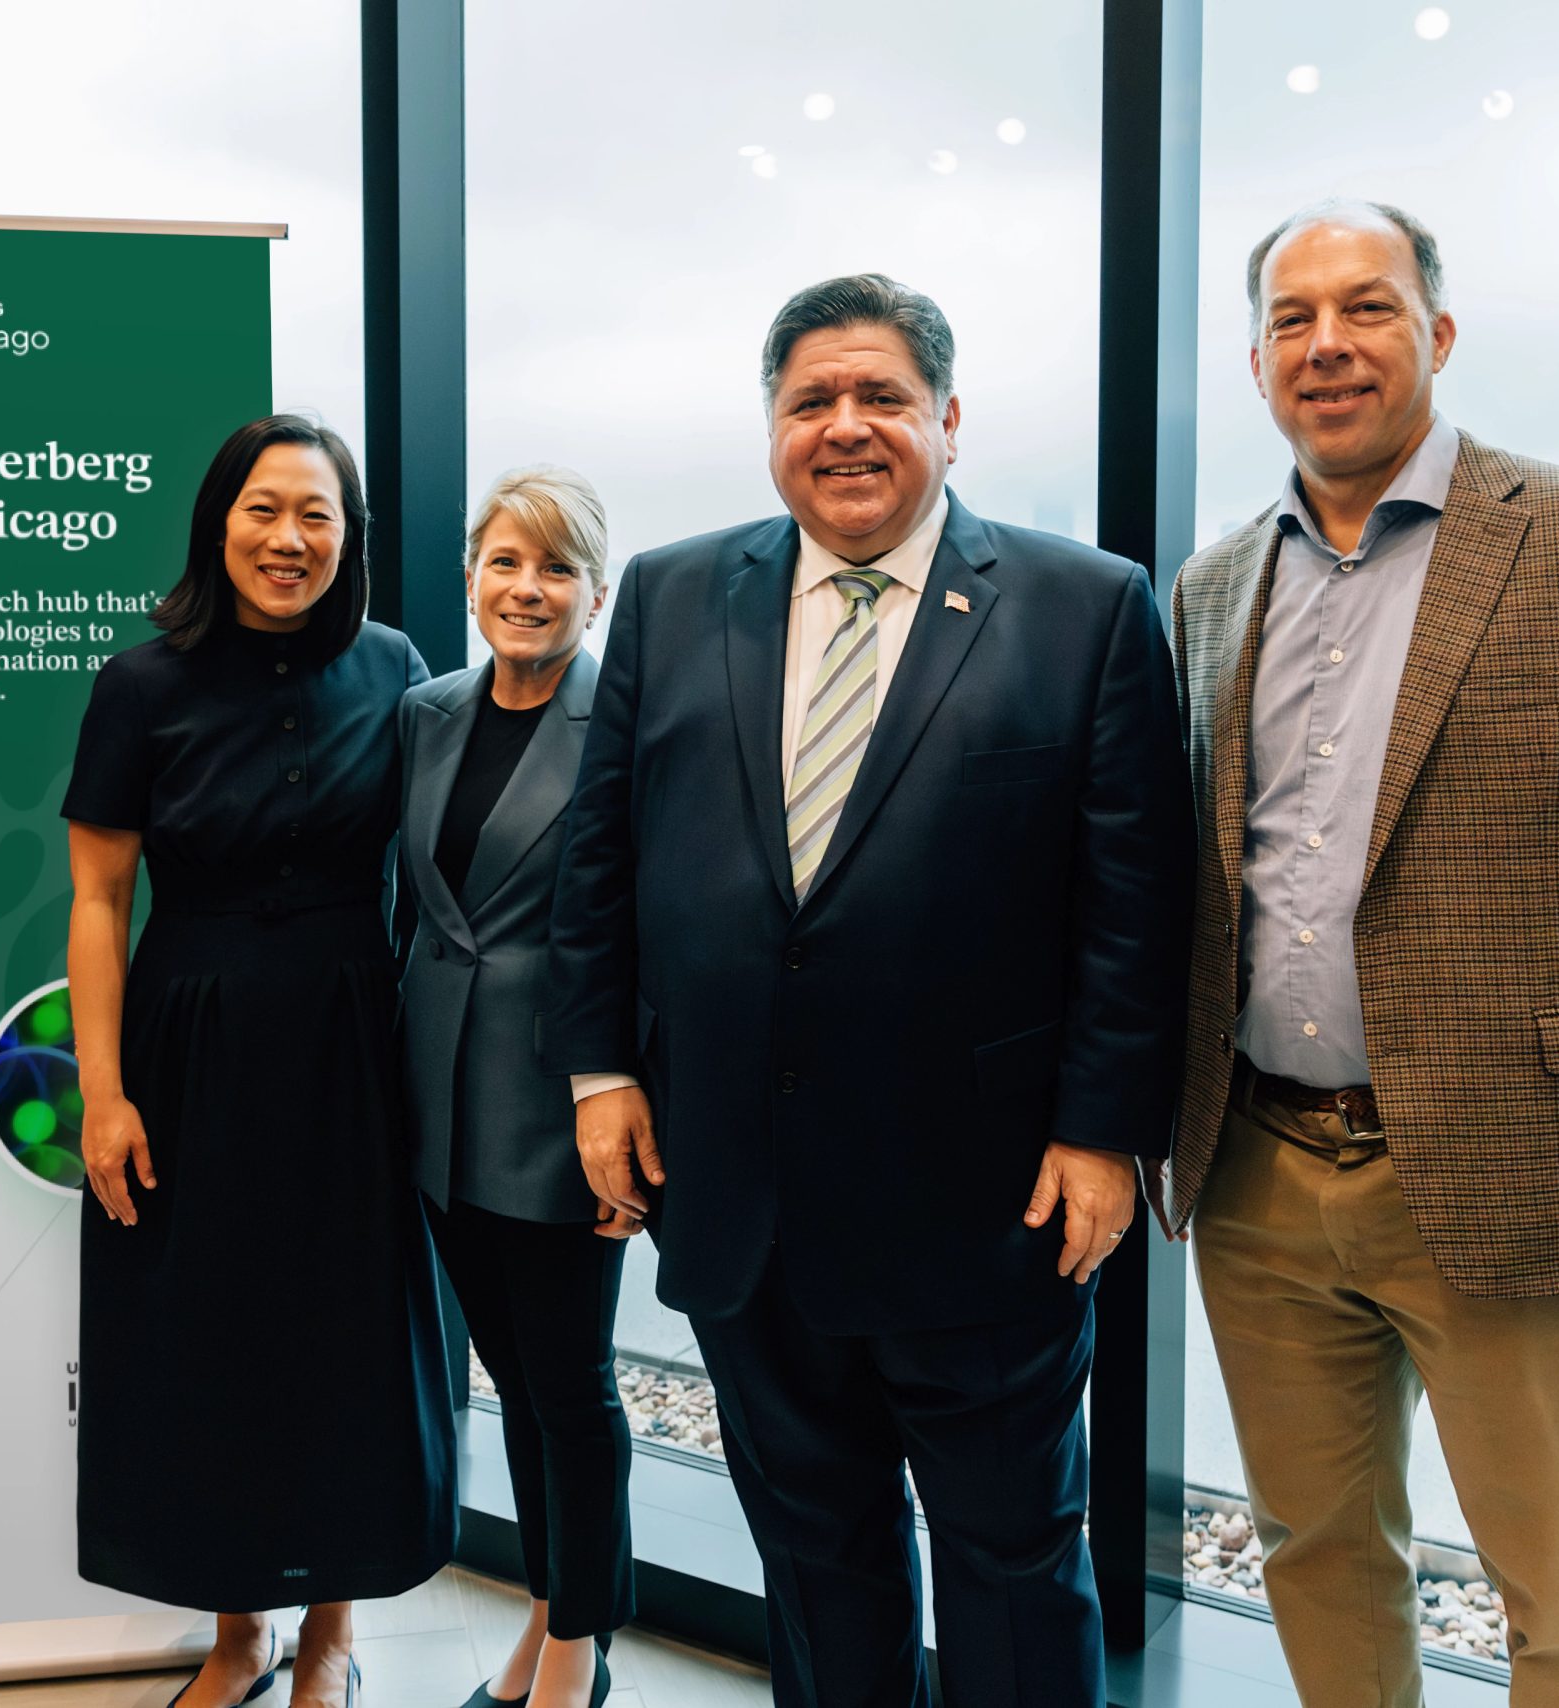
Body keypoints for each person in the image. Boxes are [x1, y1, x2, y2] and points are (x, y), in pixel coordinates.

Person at [1155, 200, 1559, 1708]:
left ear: (1435, 334)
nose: (1329, 344)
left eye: (1365, 308)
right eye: (1293, 320)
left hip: (1511, 1162)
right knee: (1314, 1550)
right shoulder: (1213, 586)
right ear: (1256, 366)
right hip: (1255, 1168)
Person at [542, 274, 1193, 1707]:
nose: (845, 428)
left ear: (949, 420)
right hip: (742, 1193)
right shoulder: (669, 590)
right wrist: (600, 1073)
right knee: (815, 1554)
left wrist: (1103, 1132)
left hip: (989, 1204)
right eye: (810, 401)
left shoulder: (1086, 607)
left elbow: (1139, 905)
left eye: (880, 397)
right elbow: (603, 855)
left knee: (1013, 1561)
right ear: (771, 428)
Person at [64, 415, 452, 1708]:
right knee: (210, 1333)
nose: (290, 540)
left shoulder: (398, 667)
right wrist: (103, 1093)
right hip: (190, 1043)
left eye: (318, 517)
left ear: (349, 538)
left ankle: (332, 1633)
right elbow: (98, 905)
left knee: (343, 1336)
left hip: (354, 1047)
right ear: (218, 521)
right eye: (263, 511)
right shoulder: (139, 685)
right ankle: (241, 1633)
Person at [397, 466, 628, 1708]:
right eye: (503, 562)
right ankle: (547, 1615)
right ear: (471, 575)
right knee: (515, 1381)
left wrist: (642, 1126)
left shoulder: (630, 726)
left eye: (553, 568)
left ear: (593, 592)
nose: (523, 588)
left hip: (567, 1110)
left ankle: (578, 1646)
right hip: (438, 1104)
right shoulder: (425, 711)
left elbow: (657, 939)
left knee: (572, 1389)